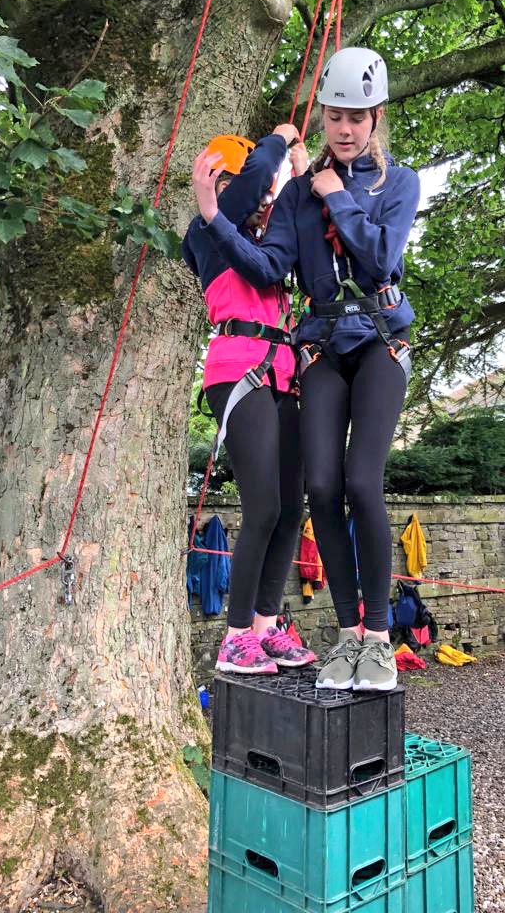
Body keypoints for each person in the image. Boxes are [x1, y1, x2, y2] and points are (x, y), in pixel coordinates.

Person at [192, 48, 420, 691]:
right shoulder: (292, 194)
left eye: (358, 117)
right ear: (323, 116)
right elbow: (269, 266)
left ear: (376, 119)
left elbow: (379, 261)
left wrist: (334, 195)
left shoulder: (397, 184)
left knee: (359, 482)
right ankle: (345, 635)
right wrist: (217, 215)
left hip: (377, 341)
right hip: (316, 350)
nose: (345, 129)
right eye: (335, 116)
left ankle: (376, 637)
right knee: (317, 488)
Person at [183, 124, 315, 674]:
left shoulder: (266, 243)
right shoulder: (206, 230)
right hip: (239, 370)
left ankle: (265, 625)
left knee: (291, 507)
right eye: (253, 189)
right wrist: (282, 137)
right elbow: (259, 174)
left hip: (285, 373)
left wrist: (304, 175)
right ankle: (236, 635)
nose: (264, 196)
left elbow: (307, 220)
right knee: (262, 504)